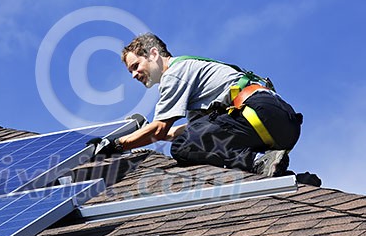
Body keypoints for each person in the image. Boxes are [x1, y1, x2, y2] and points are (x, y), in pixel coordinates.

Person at [92, 33, 303, 177]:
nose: (134, 75)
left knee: (183, 147)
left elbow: (161, 128)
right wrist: (143, 131)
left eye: (136, 66)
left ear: (154, 54)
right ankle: (287, 178)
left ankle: (257, 161)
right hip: (281, 123)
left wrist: (117, 145)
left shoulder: (175, 74)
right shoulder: (192, 72)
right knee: (192, 137)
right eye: (130, 71)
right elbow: (189, 130)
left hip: (258, 113)